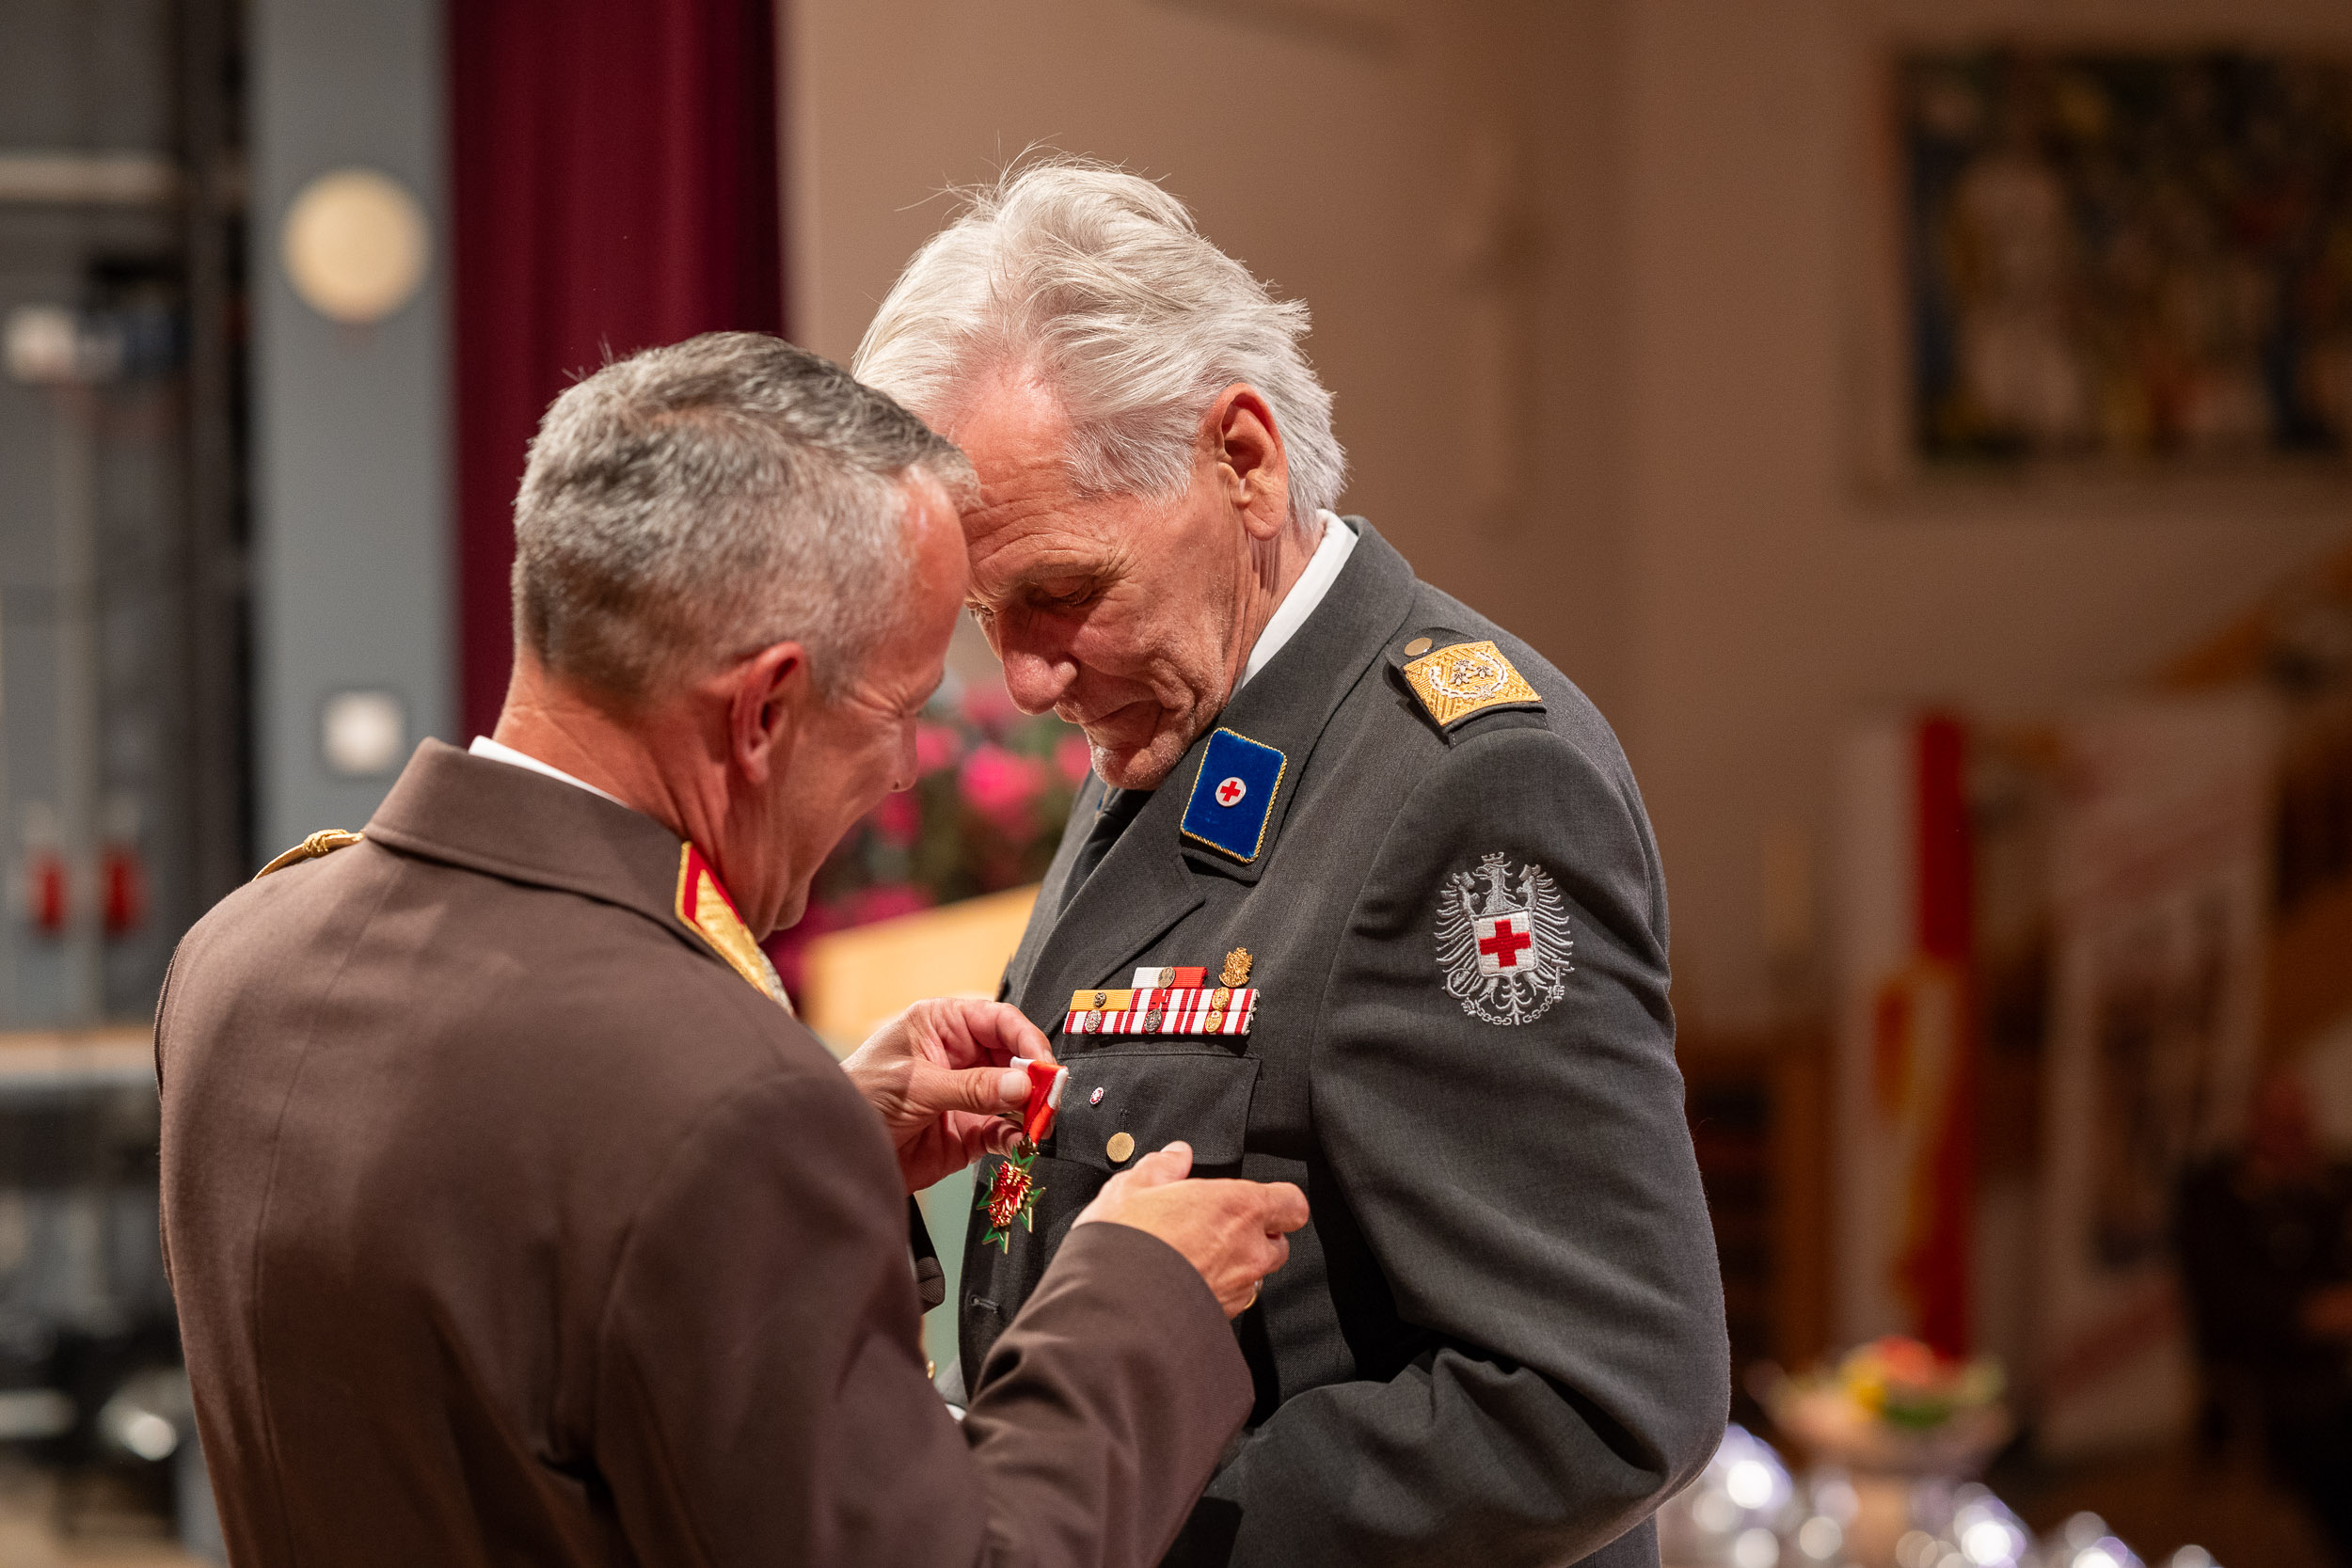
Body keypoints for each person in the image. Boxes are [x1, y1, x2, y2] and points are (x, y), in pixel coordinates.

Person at [156, 333, 1310, 1567]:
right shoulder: (715, 1097)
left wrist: (818, 1145)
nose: (904, 767)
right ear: (763, 710)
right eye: (899, 710)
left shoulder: (240, 953)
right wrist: (1138, 1301)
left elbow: (501, 1280)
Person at [854, 162, 1729, 1568]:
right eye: (984, 613)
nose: (1021, 677)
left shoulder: (1469, 785)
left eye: (1062, 593)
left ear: (1244, 462)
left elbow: (1604, 1396)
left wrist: (1119, 1523)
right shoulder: (1177, 714)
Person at [2175, 1068, 2352, 1564]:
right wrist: (2311, 1313)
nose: (2294, 1137)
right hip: (2272, 1377)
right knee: (2329, 1445)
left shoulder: (2335, 1183)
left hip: (2337, 1366)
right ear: (2253, 1126)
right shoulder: (2215, 1196)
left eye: (2300, 1125)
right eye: (2281, 1126)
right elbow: (2225, 1299)